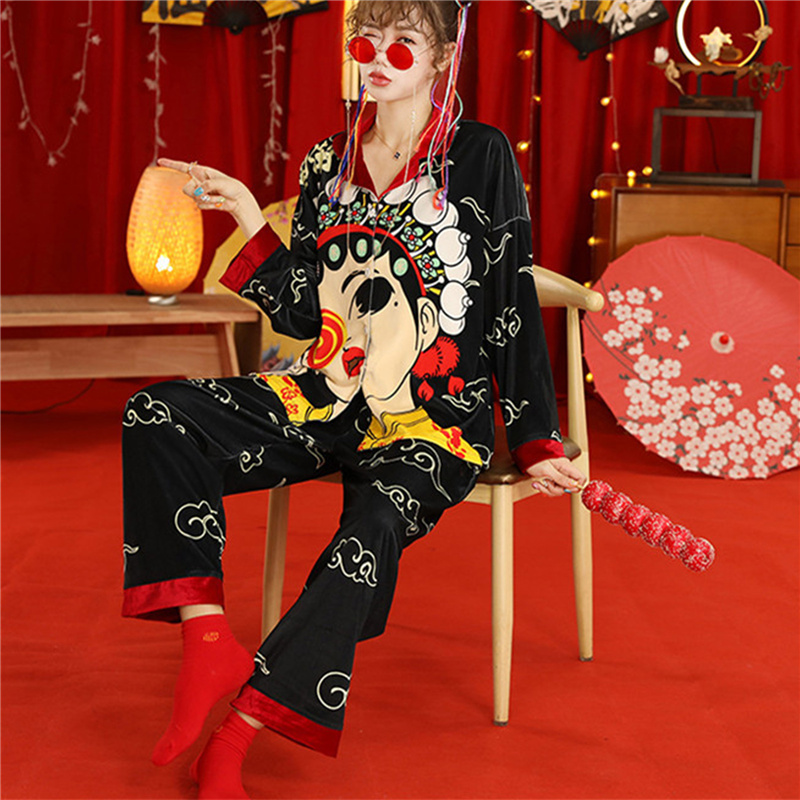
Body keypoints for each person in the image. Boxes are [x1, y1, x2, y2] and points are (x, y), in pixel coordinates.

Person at [123, 1, 586, 796]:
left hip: (433, 419)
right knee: (155, 413)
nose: (377, 58)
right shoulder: (325, 163)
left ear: (441, 57)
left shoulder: (480, 155)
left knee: (369, 529)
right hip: (324, 395)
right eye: (366, 41)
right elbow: (306, 312)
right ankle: (207, 643)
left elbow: (509, 300)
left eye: (403, 44)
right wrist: (249, 214)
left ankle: (238, 733)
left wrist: (538, 439)